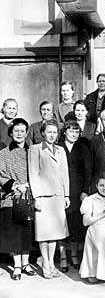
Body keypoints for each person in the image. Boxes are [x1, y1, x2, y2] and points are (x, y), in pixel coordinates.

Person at [28, 119, 70, 279]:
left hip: (58, 196)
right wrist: (36, 196)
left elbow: (64, 174)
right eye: (49, 132)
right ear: (43, 133)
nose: (52, 135)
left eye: (54, 132)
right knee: (43, 232)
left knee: (55, 232)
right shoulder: (35, 149)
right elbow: (33, 173)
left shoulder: (60, 150)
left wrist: (66, 195)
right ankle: (45, 262)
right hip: (43, 197)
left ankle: (51, 262)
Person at [0, 118, 36, 280]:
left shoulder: (33, 152)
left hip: (29, 196)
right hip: (11, 197)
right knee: (14, 233)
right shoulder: (3, 154)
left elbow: (39, 172)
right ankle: (16, 266)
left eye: (23, 131)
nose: (19, 134)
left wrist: (29, 185)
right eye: (16, 131)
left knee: (27, 232)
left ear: (27, 132)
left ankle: (26, 263)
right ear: (11, 133)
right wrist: (15, 185)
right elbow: (0, 175)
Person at [58, 120, 91, 272]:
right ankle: (63, 256)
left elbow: (88, 171)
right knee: (62, 223)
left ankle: (74, 255)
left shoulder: (83, 147)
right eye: (71, 131)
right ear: (64, 131)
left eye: (77, 131)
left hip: (78, 192)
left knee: (76, 223)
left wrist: (85, 191)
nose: (74, 134)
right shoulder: (58, 147)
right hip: (61, 191)